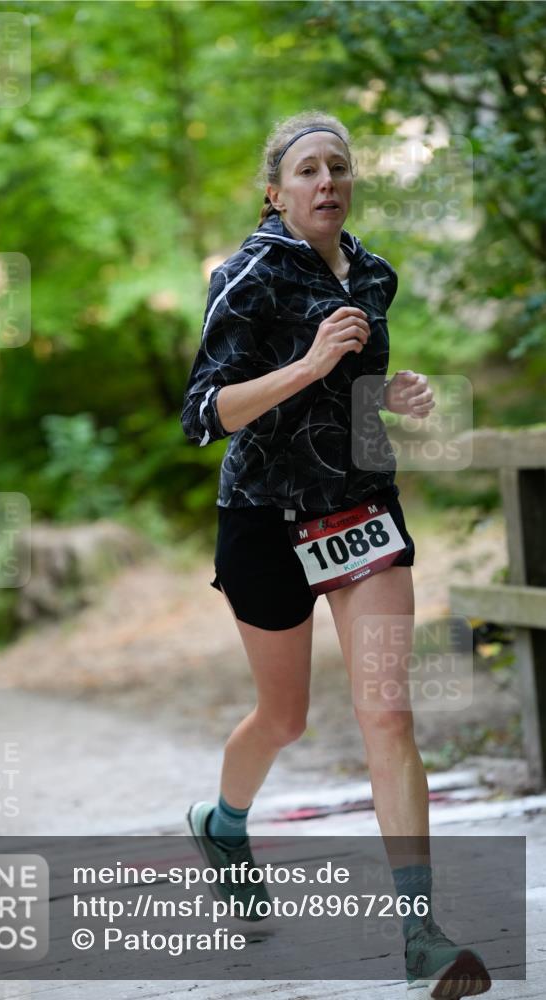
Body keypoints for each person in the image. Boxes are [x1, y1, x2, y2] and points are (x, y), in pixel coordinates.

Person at [180, 111, 491, 998]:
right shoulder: (240, 277)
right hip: (263, 518)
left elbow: (352, 395)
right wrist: (312, 364)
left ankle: (421, 937)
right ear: (275, 191)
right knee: (283, 719)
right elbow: (205, 414)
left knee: (386, 715)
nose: (326, 182)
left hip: (357, 510)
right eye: (307, 170)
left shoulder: (374, 273)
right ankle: (224, 822)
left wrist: (388, 392)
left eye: (339, 168)